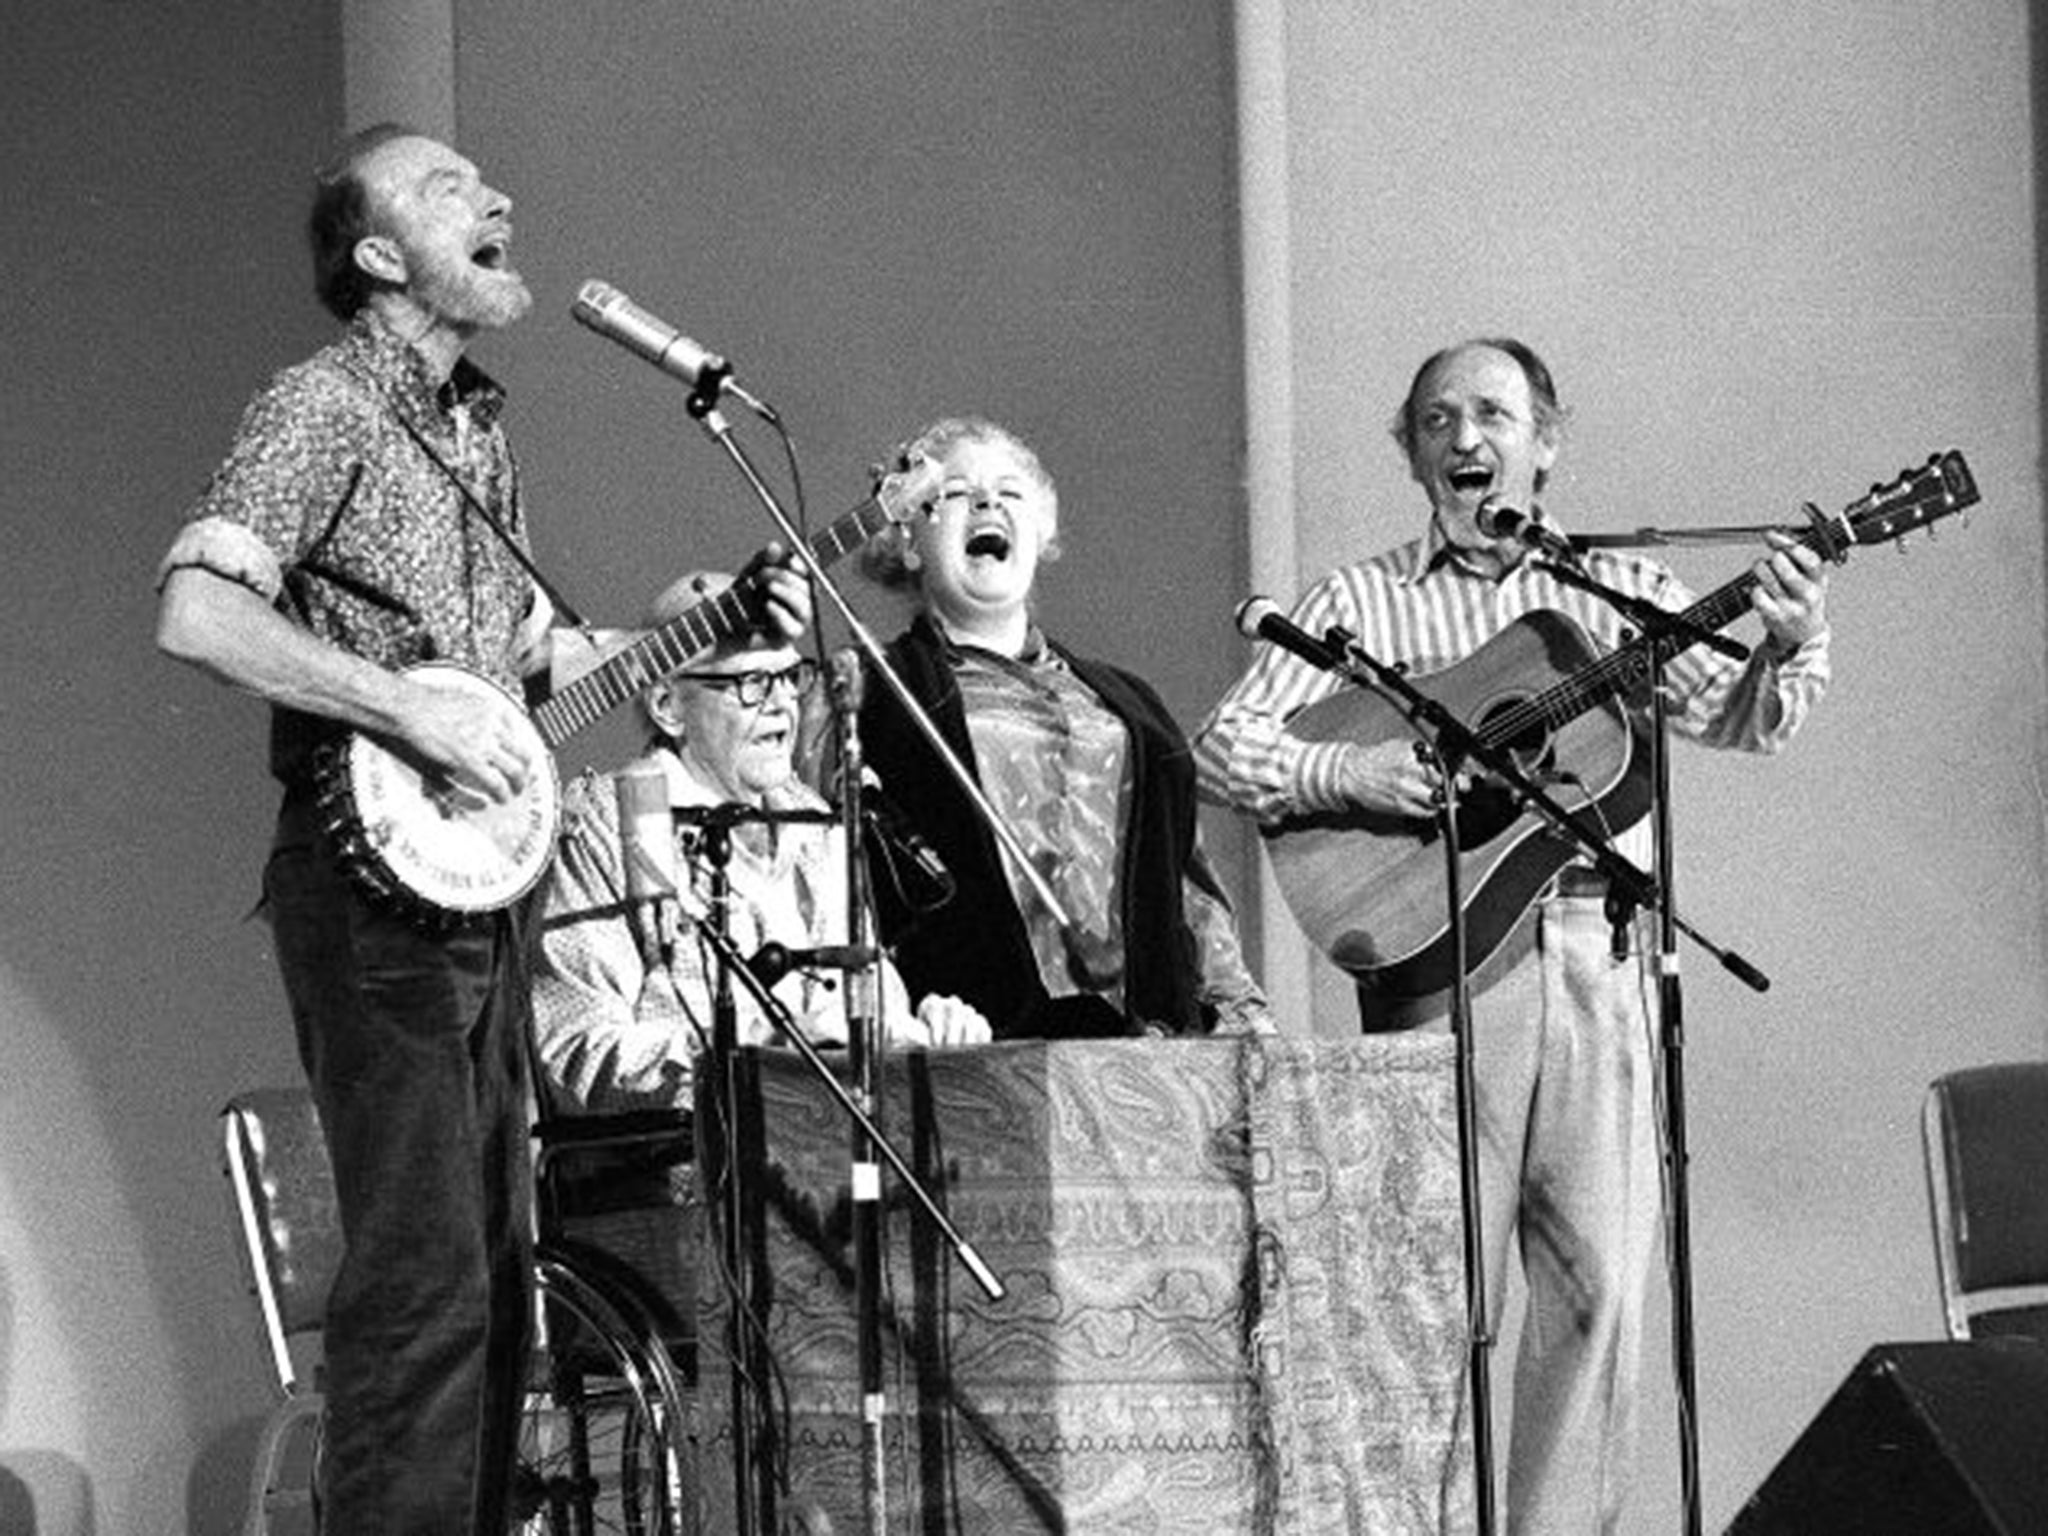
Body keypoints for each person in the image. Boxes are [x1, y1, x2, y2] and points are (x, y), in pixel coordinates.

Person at [152, 126, 807, 1535]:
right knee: (424, 1277)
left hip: (477, 881)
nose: (497, 198)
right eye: (451, 190)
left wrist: (710, 631)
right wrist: (400, 709)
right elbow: (198, 613)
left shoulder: (474, 429)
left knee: (502, 1278)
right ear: (380, 254)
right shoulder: (320, 408)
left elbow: (532, 672)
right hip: (368, 886)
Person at [1192, 337, 1831, 1533]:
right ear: (1411, 453)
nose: (1464, 439)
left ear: (1546, 442)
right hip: (1439, 979)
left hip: (1599, 960)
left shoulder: (1616, 595)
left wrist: (1792, 636)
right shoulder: (1354, 601)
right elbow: (1225, 749)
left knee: (1597, 1301)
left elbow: (1747, 719)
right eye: (1436, 420)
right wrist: (1357, 768)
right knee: (1430, 1305)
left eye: (1491, 414)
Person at [855, 416, 1272, 1041]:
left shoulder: (1132, 705)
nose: (987, 501)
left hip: (1143, 1052)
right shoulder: (874, 690)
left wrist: (1240, 1012)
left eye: (1009, 491)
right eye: (957, 493)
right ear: (909, 540)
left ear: (1043, 531)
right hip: (975, 1047)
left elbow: (1187, 882)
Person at [532, 569, 991, 1125]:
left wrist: (926, 1032)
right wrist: (755, 1054)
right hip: (681, 1177)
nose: (781, 706)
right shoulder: (610, 824)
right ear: (666, 705)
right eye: (751, 682)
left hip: (826, 1168)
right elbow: (574, 1047)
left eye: (790, 678)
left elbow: (869, 1016)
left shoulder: (822, 827)